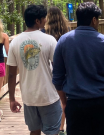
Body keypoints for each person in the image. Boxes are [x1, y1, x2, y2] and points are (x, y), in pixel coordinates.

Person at [52, 2, 104, 135]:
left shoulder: (63, 42)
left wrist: (64, 102)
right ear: (94, 20)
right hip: (102, 103)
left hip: (75, 104)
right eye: (98, 19)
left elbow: (57, 78)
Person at [7, 4, 62, 135]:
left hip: (28, 98)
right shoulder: (49, 40)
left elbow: (11, 74)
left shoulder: (14, 42)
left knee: (34, 131)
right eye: (44, 18)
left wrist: (12, 99)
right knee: (52, 132)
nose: (46, 21)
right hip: (49, 96)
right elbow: (58, 69)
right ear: (37, 21)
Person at [44, 7, 69, 135]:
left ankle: (52, 125)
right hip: (63, 66)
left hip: (48, 67)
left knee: (53, 97)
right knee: (63, 97)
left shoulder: (44, 32)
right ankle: (61, 127)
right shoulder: (66, 31)